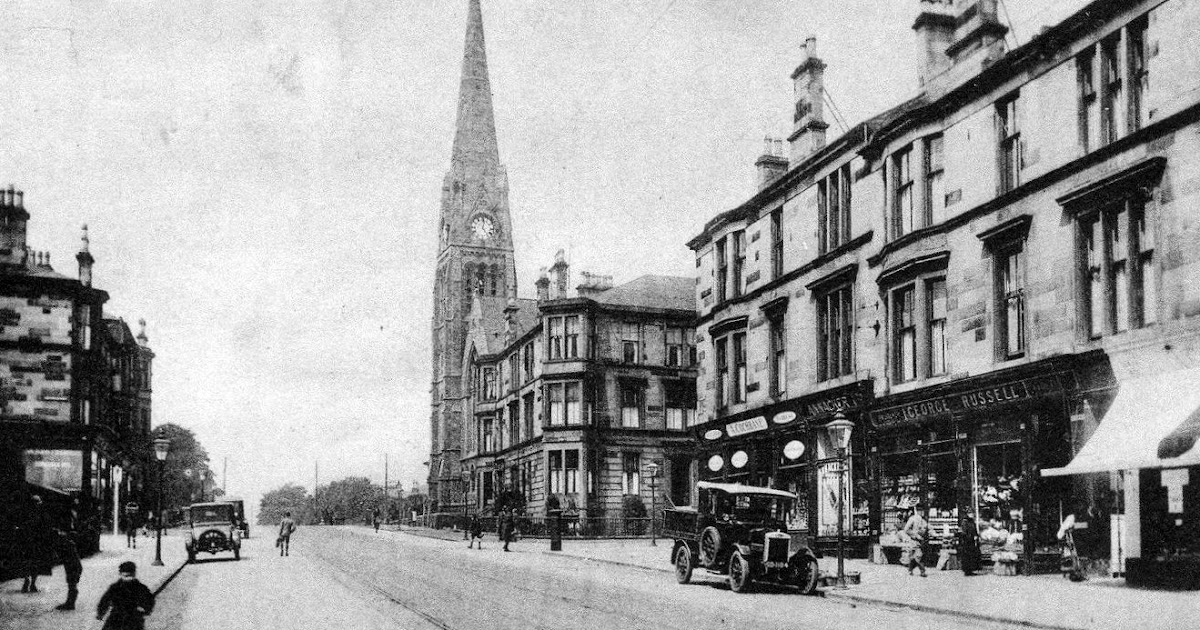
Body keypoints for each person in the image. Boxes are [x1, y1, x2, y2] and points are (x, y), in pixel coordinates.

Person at [96, 561, 155, 630]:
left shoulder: (140, 587)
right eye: (126, 576)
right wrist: (100, 612)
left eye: (131, 576)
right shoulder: (115, 587)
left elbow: (149, 599)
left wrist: (145, 608)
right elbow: (105, 600)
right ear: (120, 574)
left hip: (134, 618)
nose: (128, 579)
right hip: (116, 618)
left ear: (134, 574)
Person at [21, 495, 53, 593]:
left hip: (28, 542)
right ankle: (32, 584)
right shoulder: (42, 515)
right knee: (35, 563)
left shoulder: (26, 514)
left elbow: (22, 528)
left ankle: (27, 580)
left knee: (27, 562)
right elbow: (46, 529)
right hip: (37, 543)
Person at [54, 529, 83, 610]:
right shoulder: (69, 543)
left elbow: (62, 557)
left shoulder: (66, 544)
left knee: (72, 585)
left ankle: (70, 604)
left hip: (73, 566)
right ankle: (70, 602)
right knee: (72, 584)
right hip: (74, 566)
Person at [902, 508, 929, 577]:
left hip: (921, 540)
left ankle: (910, 569)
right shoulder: (912, 519)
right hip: (913, 541)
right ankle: (922, 571)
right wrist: (915, 535)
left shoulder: (922, 519)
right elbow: (906, 529)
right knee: (918, 555)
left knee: (914, 557)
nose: (921, 512)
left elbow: (926, 528)